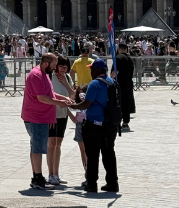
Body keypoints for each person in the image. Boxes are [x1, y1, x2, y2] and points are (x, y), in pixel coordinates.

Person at [21, 52, 73, 190]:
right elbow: (42, 98)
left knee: (37, 146)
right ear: (46, 63)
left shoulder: (45, 74)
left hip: (42, 116)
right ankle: (37, 178)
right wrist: (59, 103)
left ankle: (37, 177)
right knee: (37, 148)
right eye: (54, 65)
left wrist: (63, 98)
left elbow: (50, 94)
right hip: (35, 116)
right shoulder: (36, 75)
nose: (55, 68)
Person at [68, 58, 120, 193]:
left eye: (92, 69)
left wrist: (71, 105)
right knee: (109, 154)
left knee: (92, 155)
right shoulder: (113, 82)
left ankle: (91, 184)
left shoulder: (94, 84)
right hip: (110, 125)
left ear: (97, 70)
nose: (90, 71)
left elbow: (86, 104)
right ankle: (112, 183)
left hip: (94, 125)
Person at [47, 55, 74, 186]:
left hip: (63, 115)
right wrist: (50, 115)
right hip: (52, 115)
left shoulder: (67, 77)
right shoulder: (49, 78)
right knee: (51, 143)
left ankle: (56, 173)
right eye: (61, 66)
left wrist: (66, 83)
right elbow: (49, 98)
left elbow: (72, 95)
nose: (63, 69)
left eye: (65, 67)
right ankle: (50, 173)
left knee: (59, 143)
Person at [115, 42, 136, 131]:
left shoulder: (118, 58)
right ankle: (125, 122)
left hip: (119, 84)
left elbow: (115, 72)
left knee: (118, 103)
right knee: (126, 103)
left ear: (119, 49)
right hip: (128, 84)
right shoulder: (130, 59)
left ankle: (117, 122)